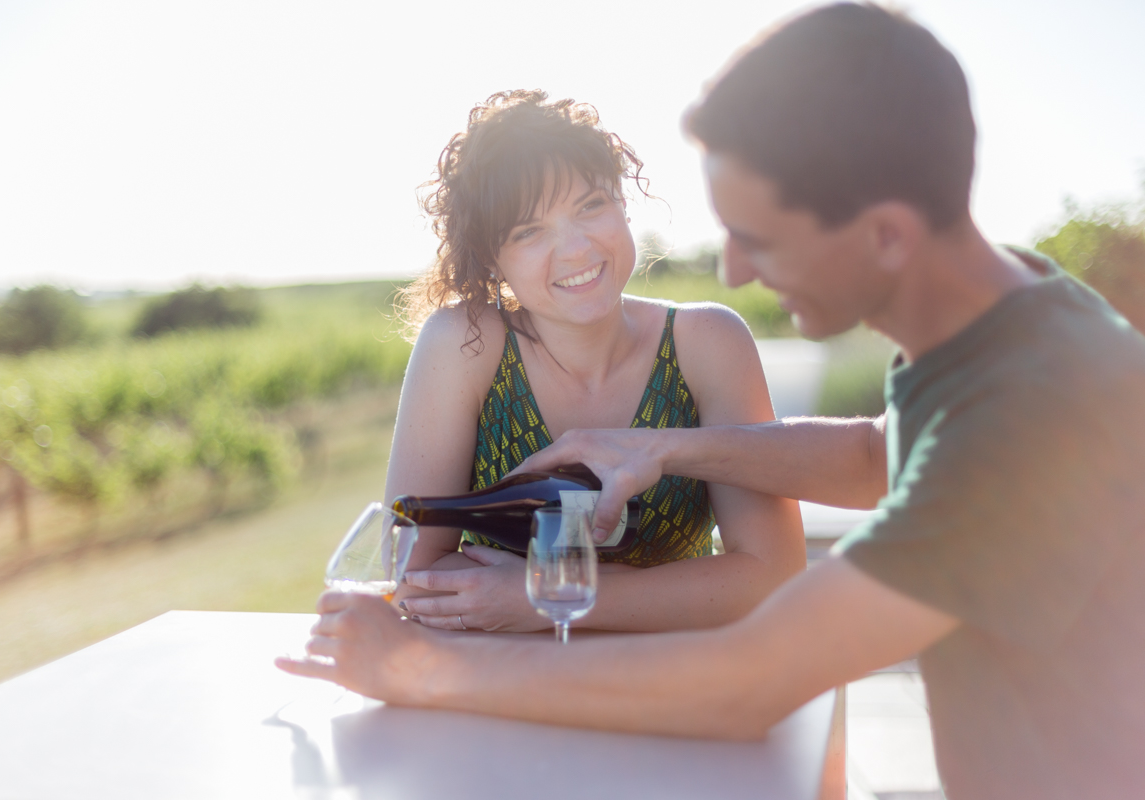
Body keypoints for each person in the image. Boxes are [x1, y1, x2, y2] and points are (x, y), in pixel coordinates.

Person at [278, 5, 1145, 798]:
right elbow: (878, 456)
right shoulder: (1019, 325)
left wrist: (426, 670)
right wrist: (667, 449)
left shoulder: (1038, 418)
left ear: (886, 234)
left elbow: (749, 682)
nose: (730, 270)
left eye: (756, 236)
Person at [376, 90, 805, 632]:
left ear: (623, 204)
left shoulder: (707, 342)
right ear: (491, 258)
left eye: (590, 205)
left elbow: (775, 576)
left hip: (682, 681)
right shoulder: (466, 343)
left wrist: (548, 595)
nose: (576, 248)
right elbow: (409, 572)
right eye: (529, 231)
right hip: (503, 685)